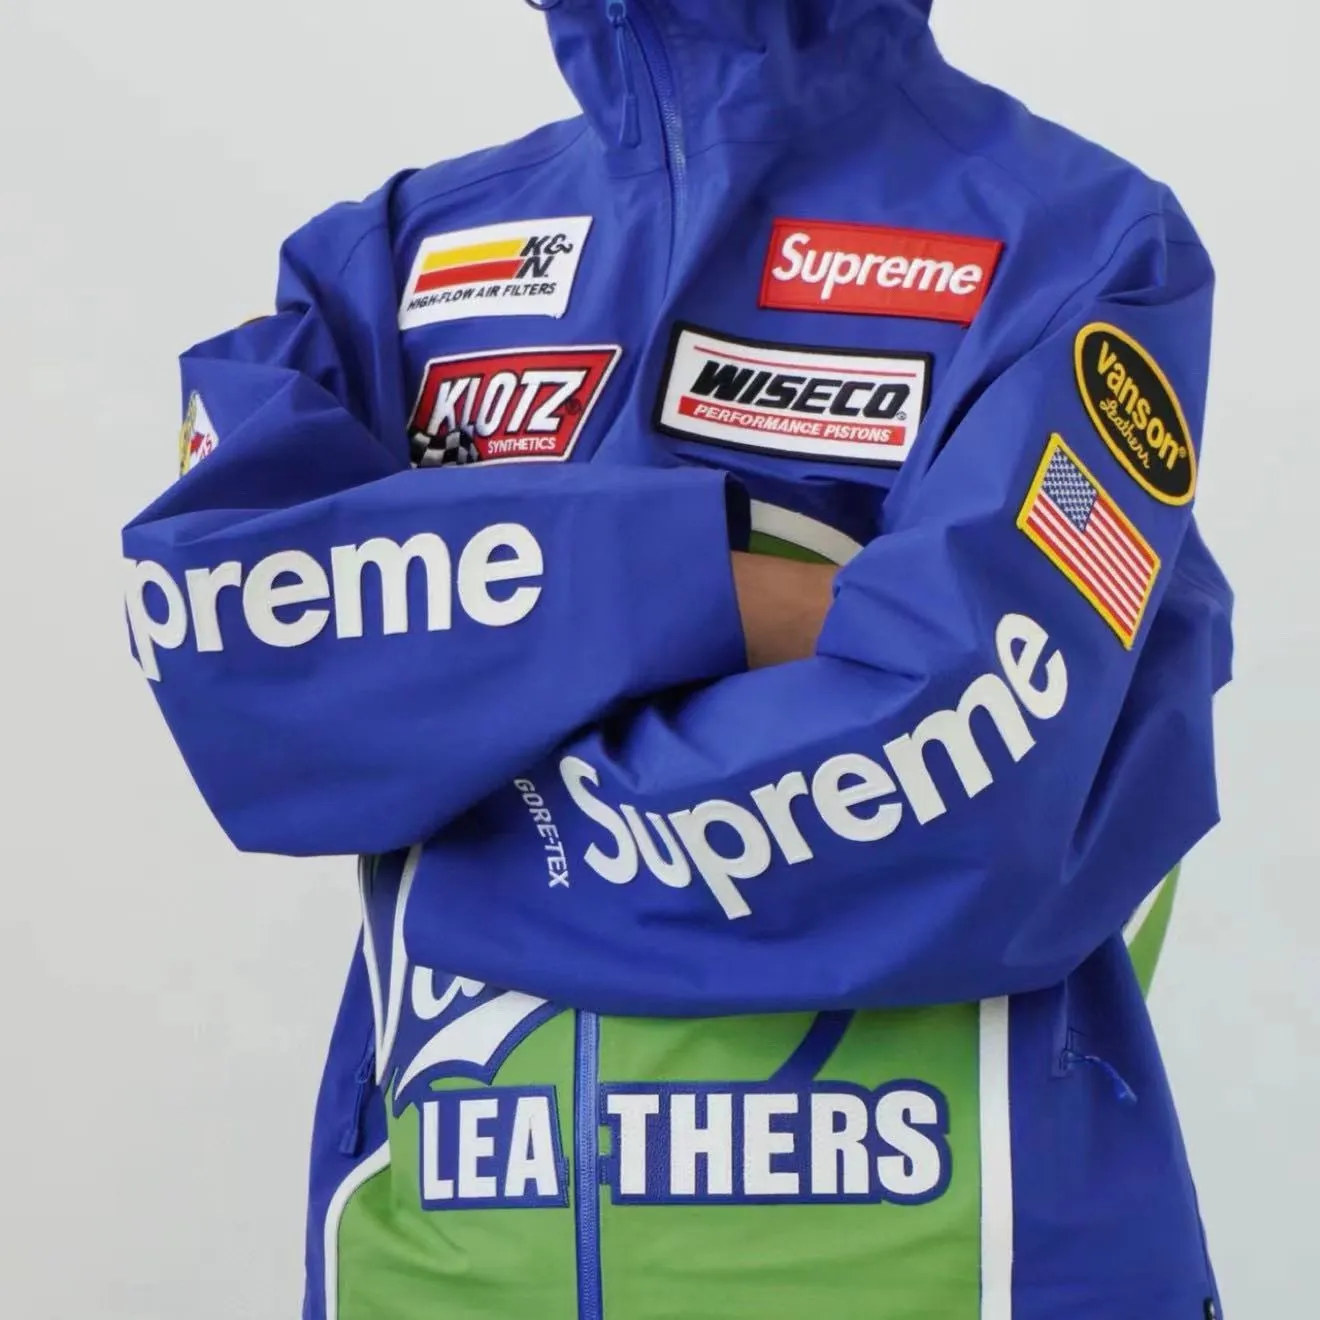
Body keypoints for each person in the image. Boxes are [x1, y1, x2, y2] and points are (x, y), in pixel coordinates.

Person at [121, 1, 1234, 1316]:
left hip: (977, 1273)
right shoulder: (389, 269)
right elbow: (234, 665)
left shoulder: (1081, 247)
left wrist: (456, 765)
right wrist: (724, 590)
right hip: (432, 1273)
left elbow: (978, 788)